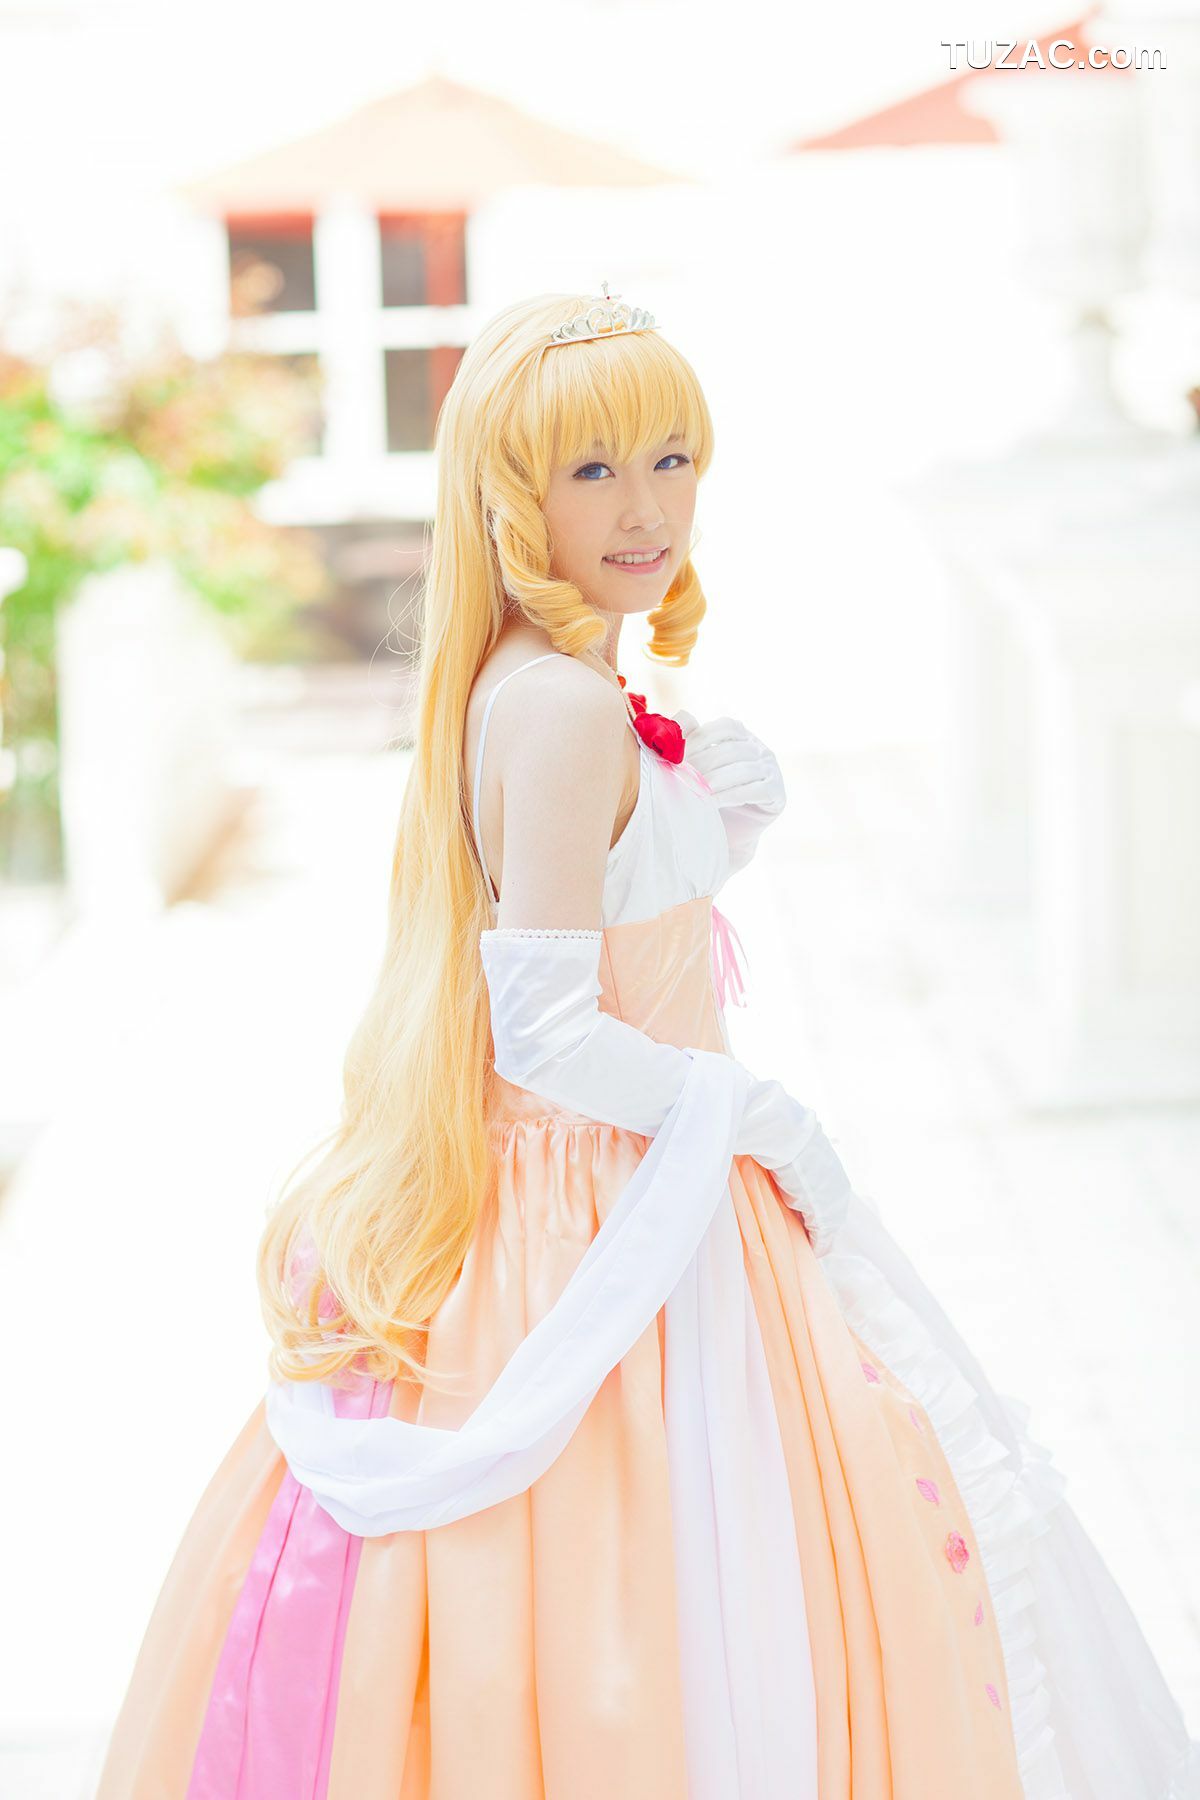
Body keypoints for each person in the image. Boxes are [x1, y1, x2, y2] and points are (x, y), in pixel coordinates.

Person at [96, 287, 1200, 1800]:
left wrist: (702, 835)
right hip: (610, 1205)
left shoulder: (540, 687)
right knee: (674, 1580)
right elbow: (548, 1028)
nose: (645, 509)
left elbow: (594, 928)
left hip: (613, 1182)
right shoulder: (562, 707)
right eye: (594, 469)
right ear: (514, 494)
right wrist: (751, 1113)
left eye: (672, 460)